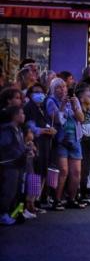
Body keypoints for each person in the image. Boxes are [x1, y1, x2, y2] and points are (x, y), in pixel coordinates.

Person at [46, 77, 85, 210]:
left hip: (75, 138)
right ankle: (57, 199)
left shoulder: (74, 100)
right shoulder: (51, 101)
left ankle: (71, 199)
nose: (62, 89)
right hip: (61, 140)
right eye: (58, 87)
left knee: (76, 172)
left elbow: (81, 119)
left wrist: (74, 106)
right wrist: (62, 106)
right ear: (53, 89)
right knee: (63, 171)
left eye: (63, 86)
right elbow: (56, 119)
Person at [23, 83, 57, 213]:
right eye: (35, 92)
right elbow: (31, 127)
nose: (39, 94)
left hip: (45, 144)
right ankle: (29, 203)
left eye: (41, 92)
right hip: (35, 144)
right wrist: (45, 131)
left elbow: (46, 123)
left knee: (42, 172)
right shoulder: (29, 107)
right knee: (35, 174)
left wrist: (51, 129)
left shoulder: (42, 107)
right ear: (30, 94)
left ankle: (34, 201)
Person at [0, 106, 35, 225]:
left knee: (19, 191)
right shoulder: (7, 130)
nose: (23, 115)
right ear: (14, 116)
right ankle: (3, 214)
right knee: (9, 190)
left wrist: (26, 149)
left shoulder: (19, 129)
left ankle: (14, 214)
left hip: (20, 164)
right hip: (10, 164)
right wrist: (22, 152)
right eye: (21, 113)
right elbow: (6, 147)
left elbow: (19, 146)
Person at [77, 86, 90, 205]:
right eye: (88, 94)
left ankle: (83, 192)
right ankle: (79, 193)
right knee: (81, 169)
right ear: (81, 97)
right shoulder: (80, 110)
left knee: (87, 169)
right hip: (82, 140)